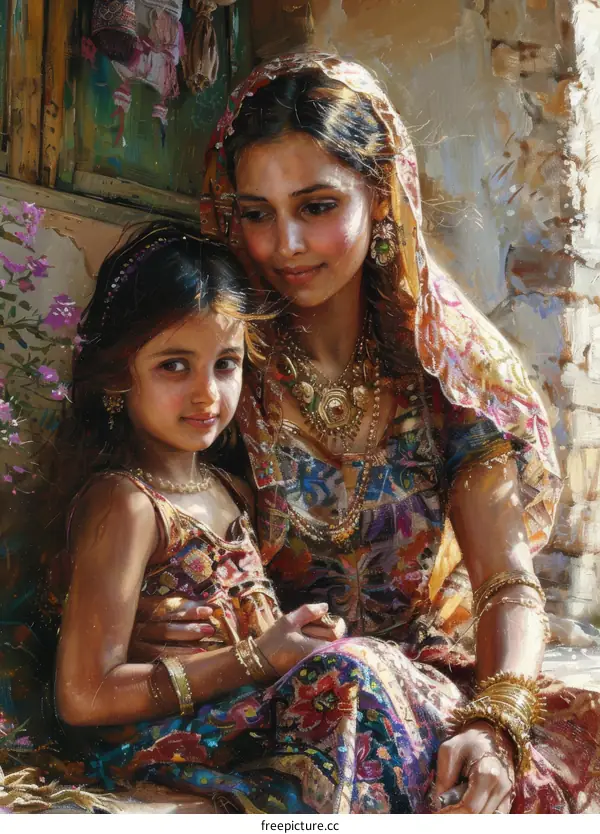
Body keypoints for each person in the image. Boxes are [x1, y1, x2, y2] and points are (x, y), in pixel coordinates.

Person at [132, 53, 600, 814]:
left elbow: (507, 581)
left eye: (316, 206)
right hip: (258, 700)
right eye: (256, 213)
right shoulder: (220, 365)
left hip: (406, 680)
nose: (283, 244)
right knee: (360, 686)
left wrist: (502, 717)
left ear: (381, 199)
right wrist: (150, 606)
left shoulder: (448, 373)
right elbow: (132, 511)